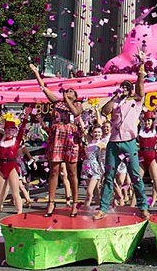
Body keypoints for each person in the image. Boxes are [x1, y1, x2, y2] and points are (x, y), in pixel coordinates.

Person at [93, 52, 149, 221]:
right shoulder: (115, 102)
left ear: (130, 91)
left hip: (130, 144)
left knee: (135, 177)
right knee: (108, 176)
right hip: (113, 144)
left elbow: (140, 85)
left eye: (126, 87)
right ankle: (103, 208)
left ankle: (143, 207)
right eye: (122, 87)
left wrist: (141, 66)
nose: (123, 89)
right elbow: (104, 111)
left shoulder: (136, 101)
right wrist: (115, 97)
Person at [29, 63, 84, 217]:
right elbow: (44, 88)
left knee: (72, 172)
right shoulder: (56, 103)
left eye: (71, 91)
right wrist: (36, 74)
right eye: (67, 90)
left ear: (76, 95)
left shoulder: (78, 105)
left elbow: (74, 111)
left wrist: (67, 99)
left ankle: (74, 203)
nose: (68, 91)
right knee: (54, 171)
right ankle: (51, 203)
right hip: (57, 138)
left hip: (71, 139)